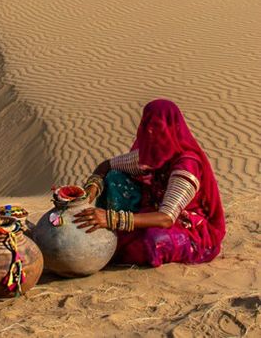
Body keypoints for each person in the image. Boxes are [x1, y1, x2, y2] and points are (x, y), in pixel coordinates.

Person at [74, 99, 226, 267]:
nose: (151, 132)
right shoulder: (151, 154)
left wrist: (112, 219)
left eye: (157, 127)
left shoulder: (186, 165)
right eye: (148, 126)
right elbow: (107, 165)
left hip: (186, 228)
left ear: (171, 128)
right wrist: (90, 190)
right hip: (151, 211)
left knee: (153, 241)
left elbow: (166, 218)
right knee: (114, 178)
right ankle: (112, 235)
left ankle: (116, 241)